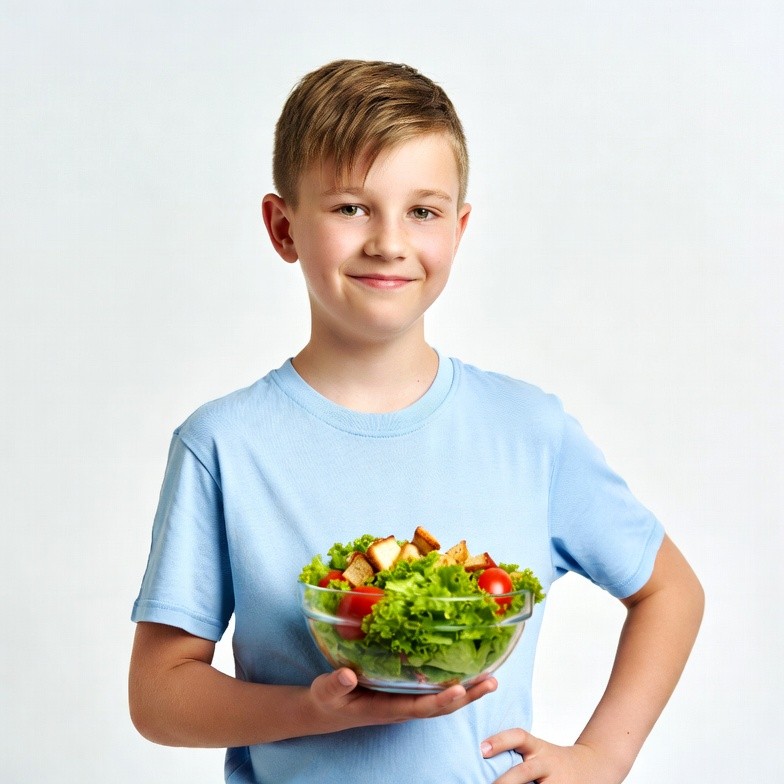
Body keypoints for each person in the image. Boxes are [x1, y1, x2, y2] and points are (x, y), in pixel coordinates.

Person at [129, 59, 704, 784]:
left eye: (423, 211)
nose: (388, 242)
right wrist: (314, 710)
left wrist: (604, 756)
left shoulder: (529, 430)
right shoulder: (225, 444)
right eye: (349, 208)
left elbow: (669, 591)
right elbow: (158, 695)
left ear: (459, 230)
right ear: (283, 227)